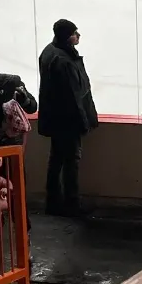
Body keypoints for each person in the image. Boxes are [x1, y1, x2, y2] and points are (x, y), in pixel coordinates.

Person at [37, 19, 99, 216]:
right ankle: (71, 203)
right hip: (67, 121)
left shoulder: (50, 51)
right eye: (74, 33)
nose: (78, 35)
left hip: (57, 118)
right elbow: (74, 96)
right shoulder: (63, 60)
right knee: (70, 161)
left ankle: (53, 201)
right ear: (66, 37)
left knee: (56, 159)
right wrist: (84, 121)